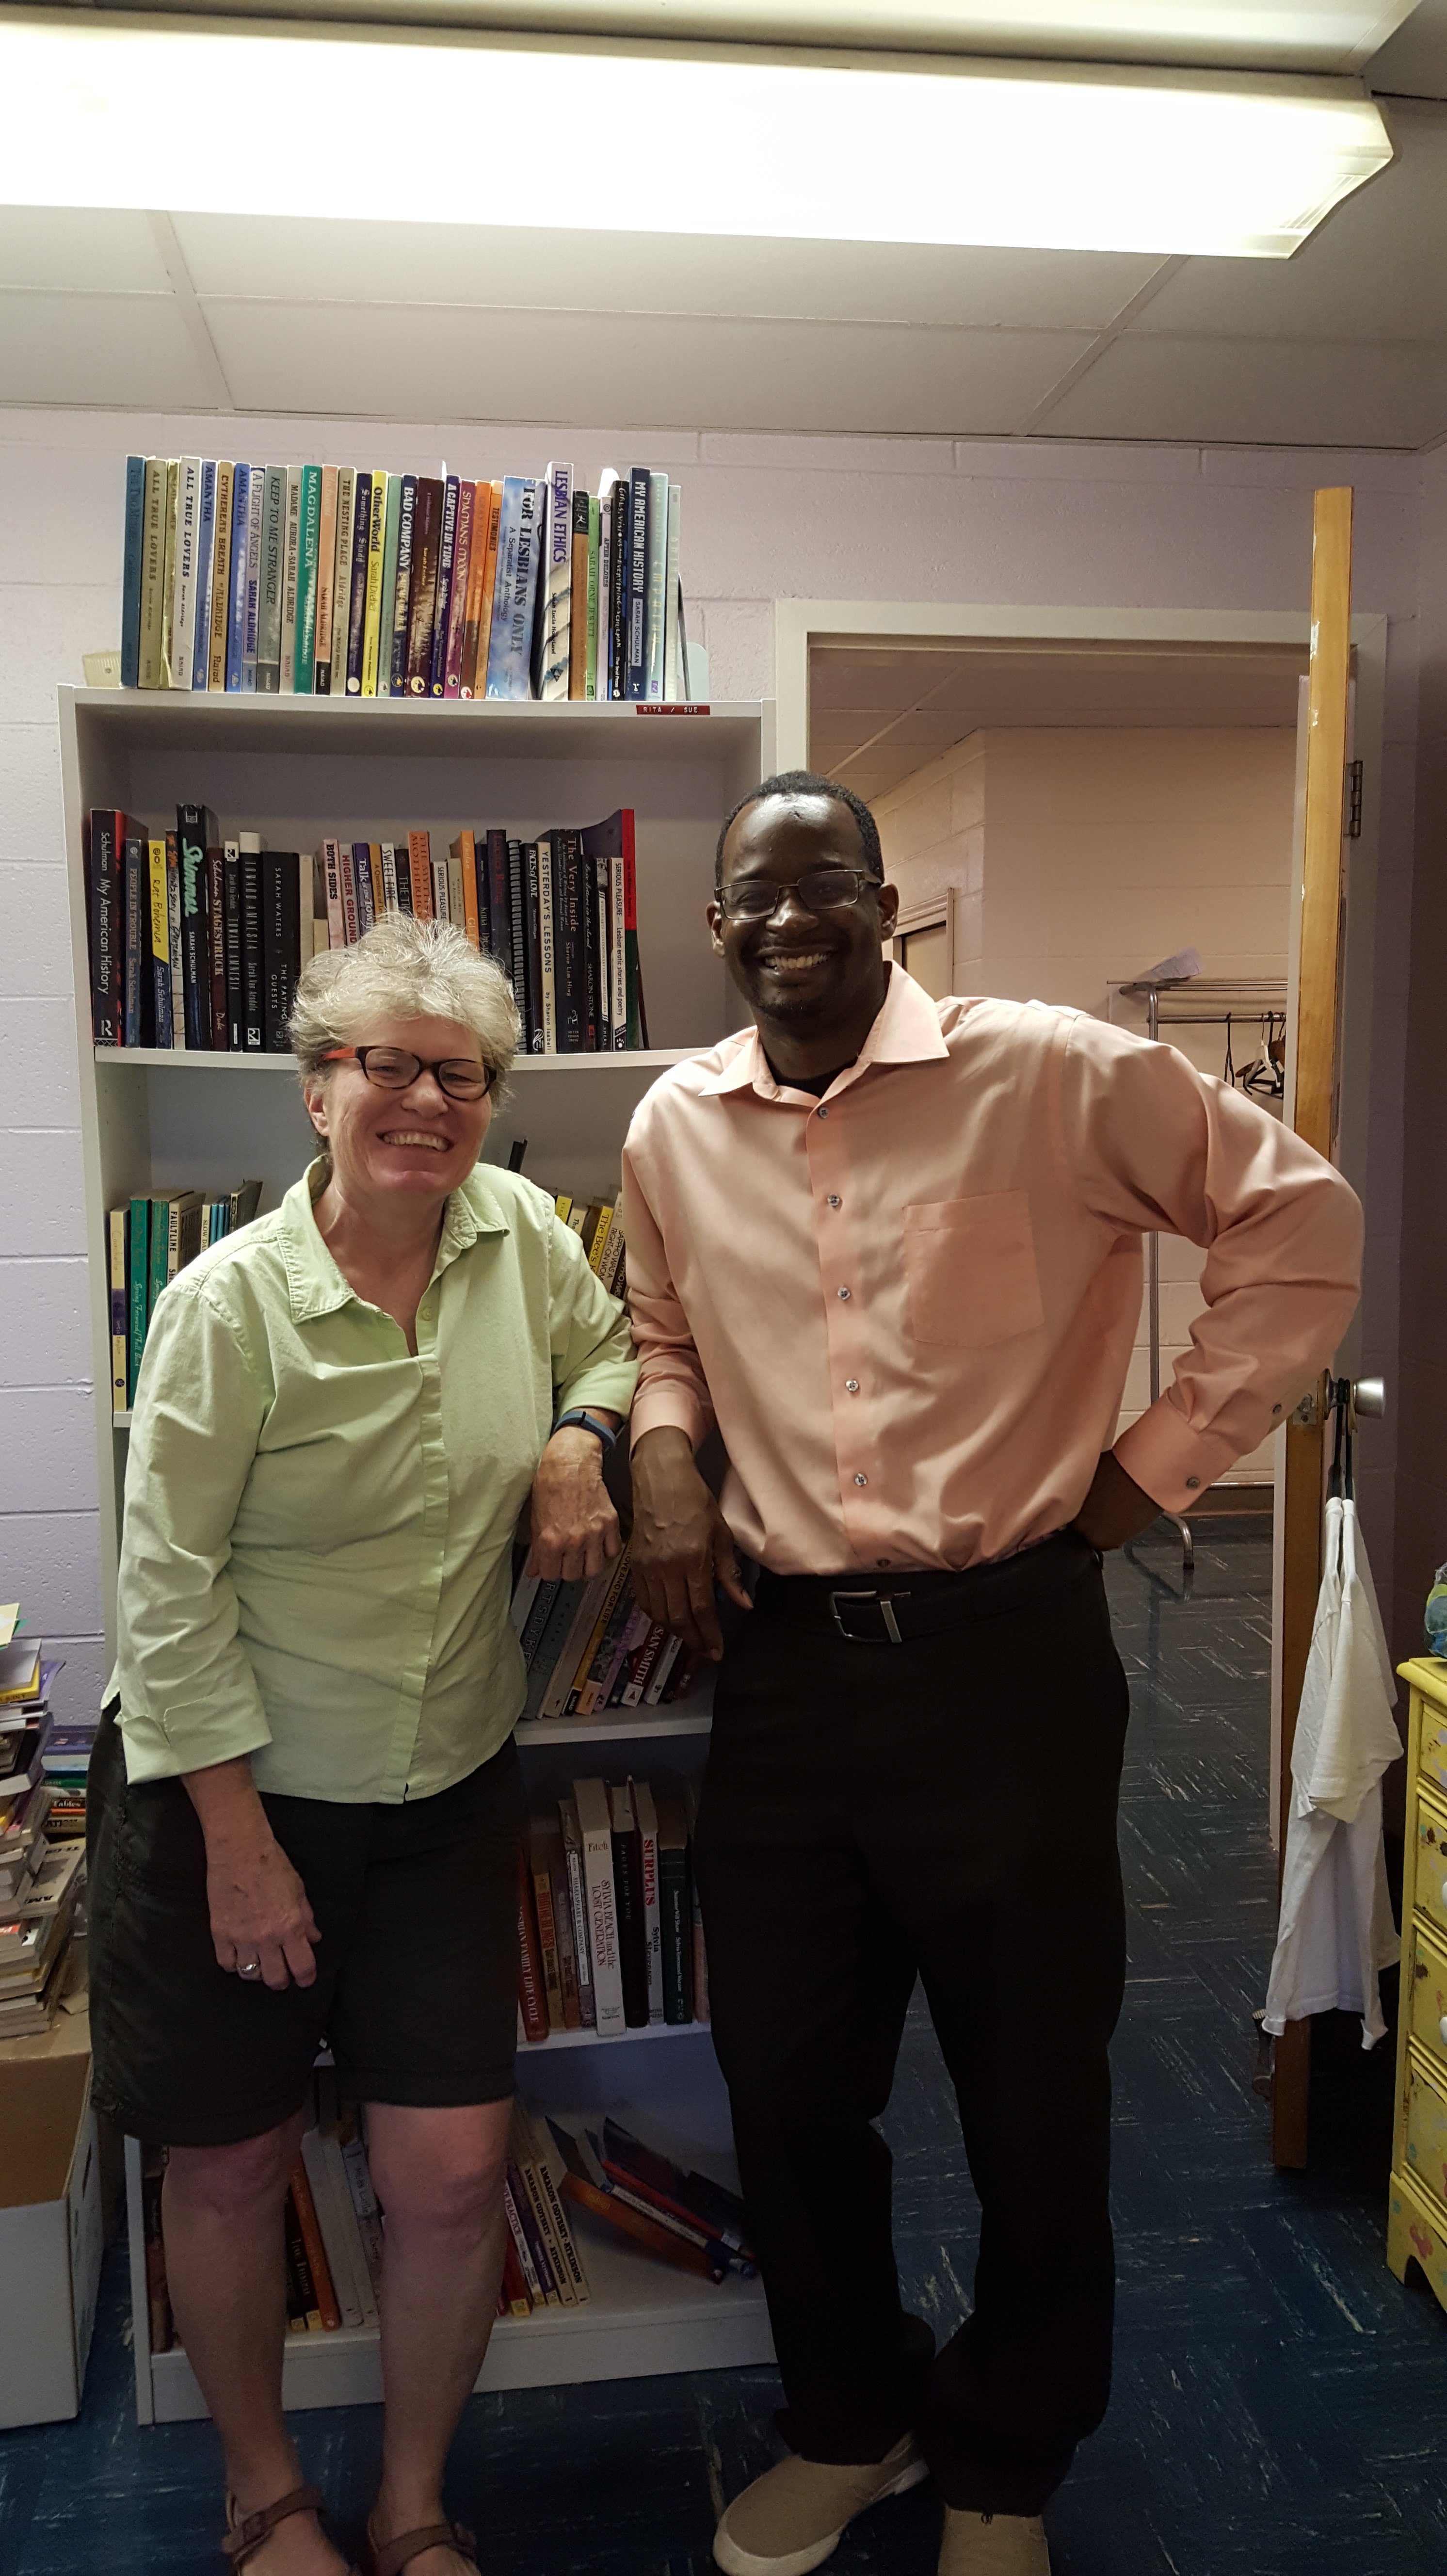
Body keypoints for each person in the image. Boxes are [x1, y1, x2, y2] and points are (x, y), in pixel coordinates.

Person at [622, 773, 1362, 2576]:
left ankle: (1006, 2466)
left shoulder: (1054, 1072)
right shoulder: (669, 1127)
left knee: (1032, 2088)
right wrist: (651, 1439)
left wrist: (1154, 1471)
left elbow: (1303, 1225)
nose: (789, 924)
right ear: (714, 928)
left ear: (891, 906)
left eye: (827, 889)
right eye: (753, 901)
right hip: (790, 1673)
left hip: (1011, 1656)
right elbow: (664, 1333)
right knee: (789, 2085)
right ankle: (855, 2418)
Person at [88, 918, 636, 2576]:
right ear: (318, 1090)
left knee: (457, 2169)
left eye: (456, 1073)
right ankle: (265, 2497)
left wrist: (575, 1439)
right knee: (237, 2156)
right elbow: (165, 1590)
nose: (422, 1100)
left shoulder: (523, 1231)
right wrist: (240, 1847)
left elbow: (610, 1342)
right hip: (228, 1798)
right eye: (382, 1065)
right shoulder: (227, 1303)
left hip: (448, 1784)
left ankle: (411, 2501)